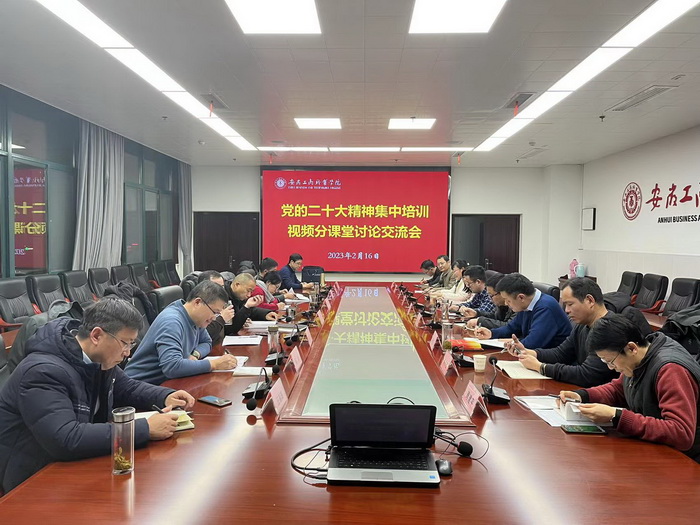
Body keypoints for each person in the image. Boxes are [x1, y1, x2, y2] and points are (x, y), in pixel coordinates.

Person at [0, 297, 196, 493]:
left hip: (70, 466)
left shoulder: (97, 359)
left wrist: (165, 396)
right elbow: (66, 438)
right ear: (96, 335)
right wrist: (144, 428)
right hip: (29, 479)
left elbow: (127, 387)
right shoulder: (42, 372)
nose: (127, 353)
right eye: (125, 343)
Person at [559, 314, 700, 462]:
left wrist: (617, 416)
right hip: (658, 450)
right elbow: (618, 389)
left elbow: (681, 433)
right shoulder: (640, 358)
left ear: (631, 348)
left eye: (610, 361)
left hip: (686, 460)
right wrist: (582, 395)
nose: (611, 367)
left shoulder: (670, 370)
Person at [505, 278, 618, 387]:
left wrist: (541, 367)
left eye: (570, 304)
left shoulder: (608, 329)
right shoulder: (583, 324)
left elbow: (587, 374)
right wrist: (530, 353)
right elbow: (561, 354)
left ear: (589, 300)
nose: (566, 310)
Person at [125, 281, 239, 384]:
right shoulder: (172, 322)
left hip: (167, 383)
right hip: (138, 387)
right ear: (198, 302)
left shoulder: (196, 320)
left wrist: (195, 355)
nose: (214, 318)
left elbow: (207, 342)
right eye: (214, 312)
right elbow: (172, 367)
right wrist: (214, 364)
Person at [474, 273, 571, 349]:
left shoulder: (545, 307)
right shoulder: (526, 305)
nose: (506, 304)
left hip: (552, 362)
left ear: (521, 297)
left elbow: (532, 343)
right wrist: (491, 333)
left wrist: (507, 343)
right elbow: (511, 328)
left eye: (508, 300)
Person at [206, 272, 278, 343]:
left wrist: (265, 314)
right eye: (248, 290)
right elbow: (230, 328)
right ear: (237, 285)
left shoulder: (237, 295)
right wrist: (245, 309)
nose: (249, 295)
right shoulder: (221, 298)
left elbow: (248, 309)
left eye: (251, 292)